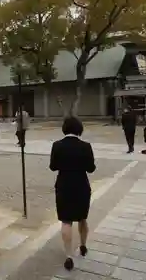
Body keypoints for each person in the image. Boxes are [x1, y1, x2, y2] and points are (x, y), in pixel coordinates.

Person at [49, 116, 96, 271]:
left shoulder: (57, 145)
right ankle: (83, 246)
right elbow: (91, 168)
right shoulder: (86, 146)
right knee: (82, 218)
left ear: (64, 129)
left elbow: (53, 167)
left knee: (66, 221)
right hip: (81, 185)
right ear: (79, 129)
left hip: (64, 186)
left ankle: (69, 255)